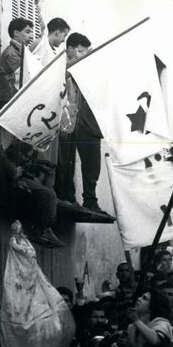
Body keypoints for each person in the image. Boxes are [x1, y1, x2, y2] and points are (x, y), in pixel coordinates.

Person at [55, 32, 108, 214]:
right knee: (66, 163)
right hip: (68, 124)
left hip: (89, 124)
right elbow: (60, 77)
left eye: (85, 52)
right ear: (69, 50)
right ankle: (67, 197)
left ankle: (90, 200)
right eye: (79, 51)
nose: (83, 56)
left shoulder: (90, 70)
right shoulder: (60, 66)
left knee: (92, 165)